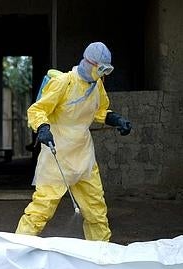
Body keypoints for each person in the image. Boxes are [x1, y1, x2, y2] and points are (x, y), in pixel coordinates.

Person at [15, 42, 131, 242]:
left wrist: (116, 120)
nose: (103, 74)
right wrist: (43, 128)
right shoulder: (63, 82)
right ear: (89, 63)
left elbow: (100, 111)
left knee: (96, 209)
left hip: (83, 155)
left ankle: (101, 254)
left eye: (107, 70)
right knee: (41, 210)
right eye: (101, 69)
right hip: (57, 153)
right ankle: (14, 250)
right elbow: (37, 110)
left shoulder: (97, 86)